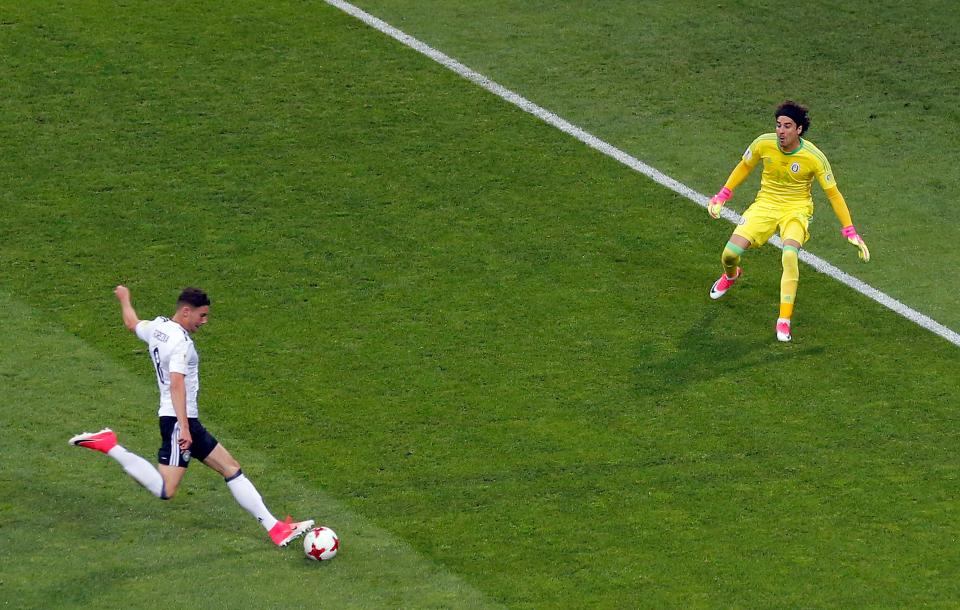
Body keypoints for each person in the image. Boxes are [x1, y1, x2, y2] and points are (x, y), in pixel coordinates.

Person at [69, 285, 314, 547]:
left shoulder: (159, 328)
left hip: (183, 420)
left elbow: (131, 323)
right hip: (178, 421)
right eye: (202, 315)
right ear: (186, 311)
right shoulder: (181, 344)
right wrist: (184, 429)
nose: (205, 321)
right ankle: (110, 445)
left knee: (230, 468)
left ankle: (276, 528)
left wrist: (124, 298)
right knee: (166, 489)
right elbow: (177, 385)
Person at [706, 100, 870, 342]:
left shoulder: (814, 157)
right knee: (729, 255)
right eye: (778, 125)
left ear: (799, 130)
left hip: (796, 210)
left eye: (787, 126)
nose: (781, 131)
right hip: (765, 206)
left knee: (789, 255)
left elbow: (833, 194)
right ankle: (731, 276)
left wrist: (850, 230)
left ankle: (784, 320)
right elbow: (745, 165)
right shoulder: (764, 143)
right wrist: (723, 195)